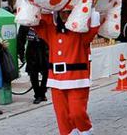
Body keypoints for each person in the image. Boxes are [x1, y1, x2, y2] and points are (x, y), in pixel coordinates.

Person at [32, 7, 100, 135]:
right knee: (62, 117)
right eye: (62, 12)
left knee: (77, 113)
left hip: (77, 79)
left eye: (69, 12)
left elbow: (92, 30)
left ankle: (86, 130)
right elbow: (38, 24)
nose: (65, 15)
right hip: (56, 80)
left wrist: (91, 8)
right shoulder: (51, 30)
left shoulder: (80, 32)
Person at [17, 25, 49, 104]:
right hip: (32, 50)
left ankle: (42, 93)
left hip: (45, 50)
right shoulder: (26, 22)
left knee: (47, 73)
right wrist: (21, 53)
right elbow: (20, 39)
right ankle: (37, 95)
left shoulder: (45, 20)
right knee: (33, 74)